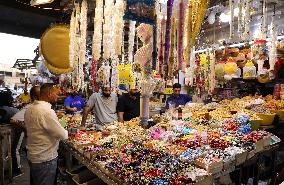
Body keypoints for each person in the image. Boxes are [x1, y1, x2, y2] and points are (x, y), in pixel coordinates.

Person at [25, 84, 68, 185]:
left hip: (34, 156)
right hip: (45, 159)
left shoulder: (29, 109)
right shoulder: (47, 111)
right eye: (56, 94)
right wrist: (66, 129)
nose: (58, 97)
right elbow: (63, 135)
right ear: (49, 93)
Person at [10, 86, 40, 177]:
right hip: (20, 131)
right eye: (40, 94)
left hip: (26, 135)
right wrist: (25, 129)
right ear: (34, 97)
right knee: (15, 150)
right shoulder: (29, 107)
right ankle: (17, 170)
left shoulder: (36, 107)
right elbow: (13, 120)